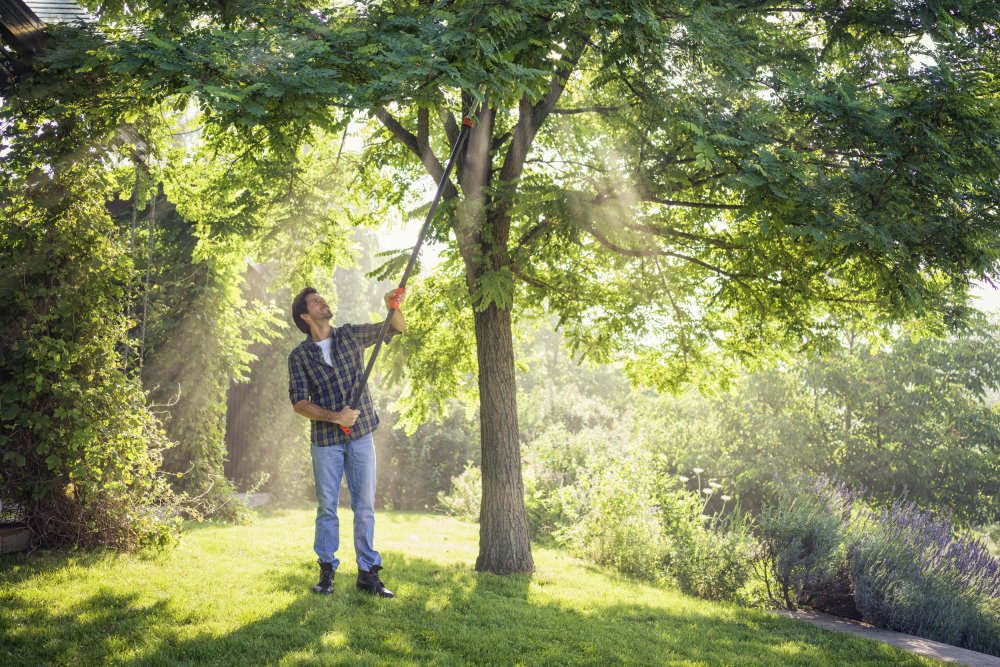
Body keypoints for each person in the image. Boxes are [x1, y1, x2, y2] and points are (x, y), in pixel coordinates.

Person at [287, 286, 405, 598]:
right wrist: (335, 417)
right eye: (315, 301)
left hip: (362, 435)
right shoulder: (299, 356)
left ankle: (368, 574)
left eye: (321, 298)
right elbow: (299, 403)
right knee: (327, 507)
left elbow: (394, 327)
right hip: (326, 441)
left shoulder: (350, 335)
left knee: (364, 506)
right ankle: (326, 574)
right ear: (305, 315)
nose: (322, 302)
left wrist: (391, 304)